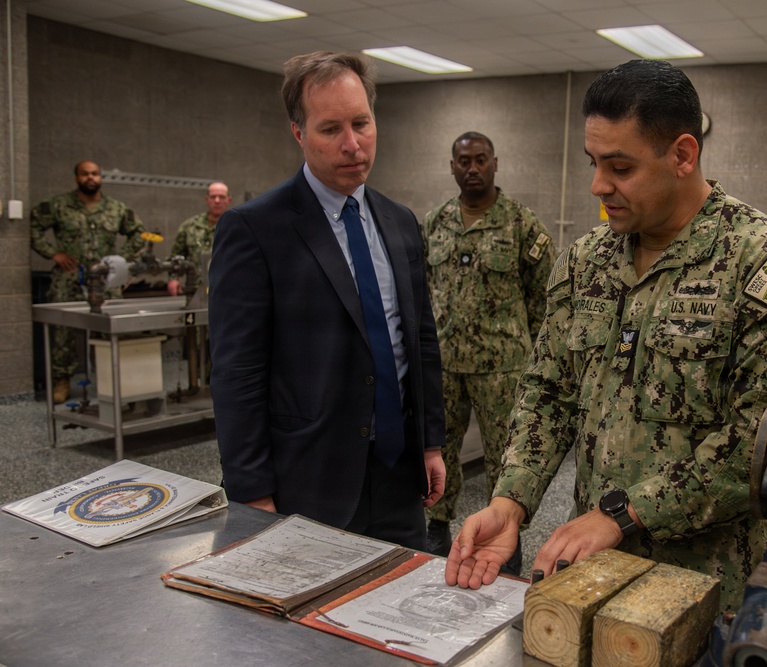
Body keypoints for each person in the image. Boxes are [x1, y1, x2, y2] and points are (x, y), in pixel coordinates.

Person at [445, 59, 767, 610]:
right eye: (593, 163)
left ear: (683, 155)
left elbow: (765, 442)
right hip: (591, 570)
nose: (599, 185)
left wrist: (625, 514)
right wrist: (511, 499)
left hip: (705, 584)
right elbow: (548, 393)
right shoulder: (586, 261)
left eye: (619, 167)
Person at [209, 52, 445, 551]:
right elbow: (238, 373)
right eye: (330, 128)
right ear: (298, 133)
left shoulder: (400, 221)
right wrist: (251, 491)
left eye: (361, 123)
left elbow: (419, 339)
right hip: (309, 481)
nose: (352, 144)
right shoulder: (255, 230)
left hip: (399, 475)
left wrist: (429, 441)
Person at [422, 132, 555, 568]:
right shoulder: (435, 222)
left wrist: (533, 358)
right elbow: (422, 290)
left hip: (503, 368)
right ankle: (436, 527)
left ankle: (507, 540)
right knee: (437, 449)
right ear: (452, 166)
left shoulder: (522, 224)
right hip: (444, 364)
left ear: (495, 164)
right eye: (464, 161)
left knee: (505, 456)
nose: (472, 168)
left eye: (480, 160)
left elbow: (544, 300)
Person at [30, 160, 148, 403]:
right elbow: (32, 226)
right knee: (63, 332)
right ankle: (62, 380)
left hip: (105, 279)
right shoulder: (59, 205)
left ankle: (112, 380)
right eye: (85, 174)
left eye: (95, 174)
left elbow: (139, 233)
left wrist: (120, 260)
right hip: (70, 277)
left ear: (101, 177)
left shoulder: (115, 208)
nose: (90, 178)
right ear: (76, 178)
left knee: (112, 328)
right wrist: (53, 254)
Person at [166, 181, 232, 296]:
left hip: (227, 290)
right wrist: (173, 278)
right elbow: (176, 257)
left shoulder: (238, 227)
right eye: (213, 197)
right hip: (194, 291)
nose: (217, 201)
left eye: (221, 197)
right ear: (207, 199)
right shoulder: (189, 226)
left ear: (229, 200)